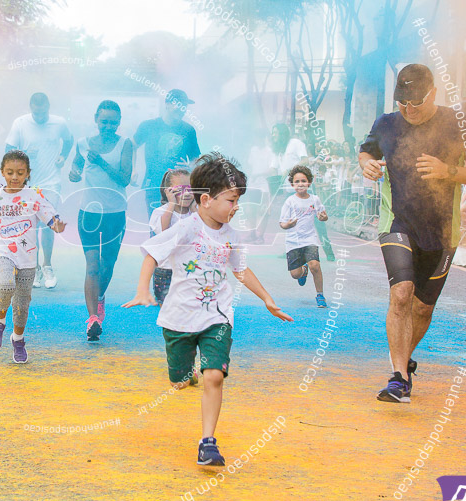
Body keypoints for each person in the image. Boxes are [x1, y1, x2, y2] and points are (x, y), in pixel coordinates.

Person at [123, 152, 292, 466]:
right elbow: (151, 253)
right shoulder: (185, 228)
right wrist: (142, 290)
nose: (236, 207)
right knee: (180, 379)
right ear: (205, 200)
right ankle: (185, 373)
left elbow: (240, 270)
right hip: (179, 317)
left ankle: (208, 442)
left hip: (218, 316)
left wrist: (267, 298)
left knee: (214, 376)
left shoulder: (231, 236)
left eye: (237, 200)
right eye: (231, 200)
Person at [358, 63, 466, 403]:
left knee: (422, 309)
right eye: (403, 103)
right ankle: (399, 377)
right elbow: (366, 151)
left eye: (416, 102)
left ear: (433, 94)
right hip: (397, 221)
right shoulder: (386, 123)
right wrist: (367, 165)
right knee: (401, 294)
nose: (409, 110)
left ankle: (404, 359)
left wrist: (448, 171)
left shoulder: (458, 124)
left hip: (444, 230)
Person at [0, 150, 65, 363]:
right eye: (10, 172)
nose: (14, 177)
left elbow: (51, 217)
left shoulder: (34, 196)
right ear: (2, 172)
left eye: (20, 173)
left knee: (22, 304)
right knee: (6, 285)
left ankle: (18, 340)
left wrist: (57, 225)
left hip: (27, 256)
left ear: (27, 174)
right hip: (2, 250)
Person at [69, 100, 134, 341]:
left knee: (107, 265)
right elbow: (75, 168)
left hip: (115, 213)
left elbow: (125, 179)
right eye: (104, 121)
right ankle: (93, 319)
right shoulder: (82, 144)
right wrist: (74, 174)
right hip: (88, 212)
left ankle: (99, 298)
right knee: (93, 267)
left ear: (119, 123)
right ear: (96, 119)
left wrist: (102, 163)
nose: (108, 126)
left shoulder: (125, 144)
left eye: (113, 122)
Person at [5, 92, 73, 289]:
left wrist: (63, 156)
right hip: (27, 183)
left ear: (48, 108)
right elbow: (8, 150)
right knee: (29, 226)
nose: (40, 117)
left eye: (43, 113)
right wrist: (23, 155)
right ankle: (33, 267)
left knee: (49, 223)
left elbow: (69, 141)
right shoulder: (20, 123)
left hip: (51, 182)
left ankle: (48, 265)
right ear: (30, 109)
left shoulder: (59, 123)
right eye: (36, 114)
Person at [134, 89, 201, 212]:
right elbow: (132, 147)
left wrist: (190, 166)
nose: (182, 109)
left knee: (179, 226)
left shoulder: (188, 130)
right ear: (167, 104)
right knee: (156, 227)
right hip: (154, 185)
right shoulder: (149, 126)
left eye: (184, 106)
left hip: (180, 188)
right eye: (178, 104)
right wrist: (132, 170)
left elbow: (196, 159)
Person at [279, 165, 329, 307]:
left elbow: (323, 216)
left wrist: (323, 217)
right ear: (292, 184)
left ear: (309, 183)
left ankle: (320, 295)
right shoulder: (290, 201)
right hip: (293, 241)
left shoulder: (315, 199)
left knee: (315, 265)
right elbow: (282, 223)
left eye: (303, 181)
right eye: (297, 182)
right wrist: (288, 224)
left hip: (310, 239)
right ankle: (303, 270)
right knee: (295, 274)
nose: (300, 184)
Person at [148, 168, 194, 304]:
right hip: (165, 271)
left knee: (188, 308)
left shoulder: (195, 213)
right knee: (168, 309)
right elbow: (163, 231)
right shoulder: (160, 212)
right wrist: (172, 204)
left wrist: (195, 209)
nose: (186, 194)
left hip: (190, 270)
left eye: (190, 189)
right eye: (179, 190)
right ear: (168, 191)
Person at [256, 123, 308, 240]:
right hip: (289, 189)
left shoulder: (295, 143)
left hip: (303, 188)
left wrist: (290, 169)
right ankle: (293, 248)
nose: (273, 135)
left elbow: (305, 160)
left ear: (282, 133)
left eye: (275, 133)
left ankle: (327, 249)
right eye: (272, 133)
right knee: (288, 219)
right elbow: (273, 169)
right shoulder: (278, 149)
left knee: (313, 220)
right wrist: (259, 174)